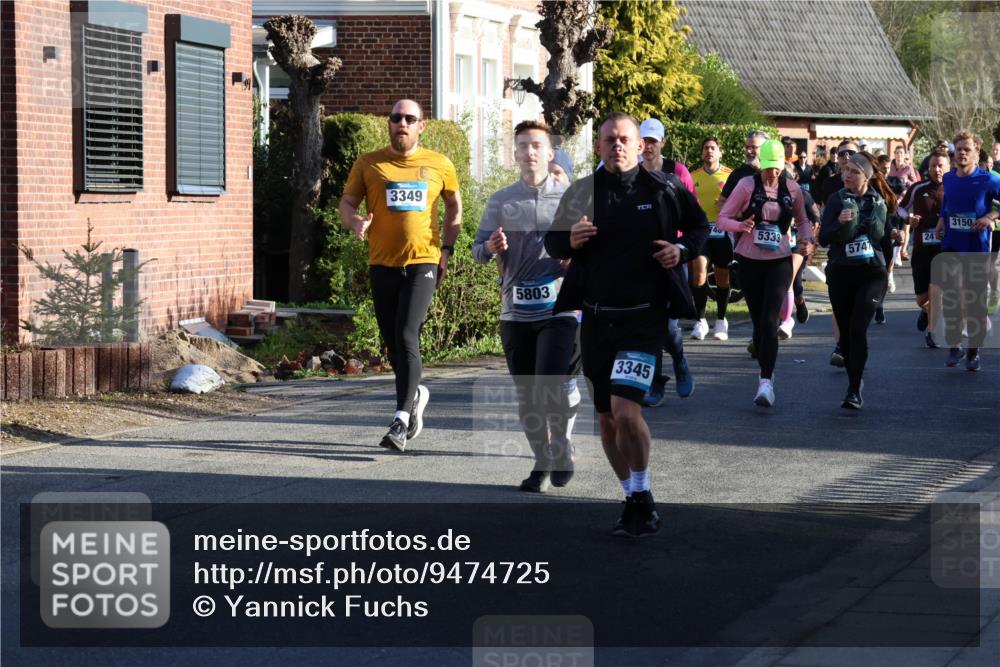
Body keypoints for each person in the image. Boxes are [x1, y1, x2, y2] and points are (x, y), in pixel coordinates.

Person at [544, 111, 708, 537]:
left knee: (626, 411)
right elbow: (553, 240)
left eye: (624, 139)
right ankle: (634, 497)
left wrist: (683, 250)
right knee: (606, 421)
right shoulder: (583, 192)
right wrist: (570, 240)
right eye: (608, 140)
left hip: (645, 319)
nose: (616, 145)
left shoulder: (664, 188)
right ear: (598, 147)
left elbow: (699, 226)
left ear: (640, 146)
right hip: (598, 319)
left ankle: (642, 490)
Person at [339, 99, 462, 451]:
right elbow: (346, 204)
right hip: (382, 264)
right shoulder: (370, 163)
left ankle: (400, 420)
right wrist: (356, 222)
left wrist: (447, 250)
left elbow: (454, 206)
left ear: (421, 126)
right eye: (396, 118)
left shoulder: (439, 163)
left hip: (423, 262)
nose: (402, 123)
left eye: (410, 118)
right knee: (394, 344)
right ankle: (416, 395)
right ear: (388, 124)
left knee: (407, 334)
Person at [472, 120, 579, 493]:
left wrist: (574, 259)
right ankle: (542, 460)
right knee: (527, 396)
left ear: (550, 153)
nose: (530, 152)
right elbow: (476, 250)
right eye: (523, 146)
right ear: (515, 153)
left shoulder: (568, 197)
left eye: (537, 145)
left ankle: (561, 448)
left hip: (558, 309)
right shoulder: (501, 200)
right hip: (515, 311)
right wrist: (489, 248)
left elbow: (589, 247)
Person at [717, 139, 816, 407]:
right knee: (760, 323)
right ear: (761, 164)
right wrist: (740, 225)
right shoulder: (746, 186)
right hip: (749, 260)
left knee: (770, 321)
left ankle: (765, 382)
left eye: (777, 167)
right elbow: (722, 218)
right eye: (768, 167)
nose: (773, 173)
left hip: (779, 260)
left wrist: (806, 240)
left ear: (784, 164)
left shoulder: (791, 188)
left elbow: (804, 219)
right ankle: (762, 357)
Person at [819, 152, 895, 409]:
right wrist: (839, 224)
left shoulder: (880, 202)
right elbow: (824, 239)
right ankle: (854, 382)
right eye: (846, 170)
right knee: (846, 336)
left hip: (872, 273)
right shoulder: (835, 200)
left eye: (854, 171)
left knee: (857, 329)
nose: (848, 175)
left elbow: (885, 240)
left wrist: (889, 271)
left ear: (867, 176)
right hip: (841, 272)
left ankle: (854, 389)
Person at [636, 118, 696, 405]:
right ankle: (655, 383)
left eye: (652, 141)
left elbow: (693, 218)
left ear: (663, 142)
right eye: (643, 141)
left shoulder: (677, 172)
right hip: (640, 260)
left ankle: (680, 361)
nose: (647, 147)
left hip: (672, 257)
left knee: (669, 327)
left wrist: (681, 247)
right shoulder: (627, 172)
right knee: (649, 323)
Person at [933, 130, 1000, 371]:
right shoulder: (949, 178)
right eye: (958, 149)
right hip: (951, 245)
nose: (961, 153)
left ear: (976, 153)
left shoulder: (989, 179)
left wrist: (990, 216)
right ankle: (954, 346)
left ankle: (973, 350)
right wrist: (942, 221)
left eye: (967, 149)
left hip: (976, 248)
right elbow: (947, 204)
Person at [898, 148, 949, 348]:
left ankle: (933, 332)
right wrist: (908, 218)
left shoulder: (954, 188)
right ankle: (926, 310)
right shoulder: (919, 188)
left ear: (948, 167)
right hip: (921, 248)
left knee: (937, 290)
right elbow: (900, 208)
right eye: (933, 166)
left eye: (940, 166)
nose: (937, 170)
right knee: (922, 298)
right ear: (927, 168)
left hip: (945, 249)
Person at [689, 136, 734, 341]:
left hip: (722, 231)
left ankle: (721, 320)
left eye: (713, 148)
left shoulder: (729, 175)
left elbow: (740, 202)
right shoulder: (693, 175)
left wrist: (727, 208)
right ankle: (700, 320)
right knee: (698, 275)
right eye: (706, 148)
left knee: (722, 276)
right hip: (701, 230)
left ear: (720, 152)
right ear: (701, 152)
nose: (709, 151)